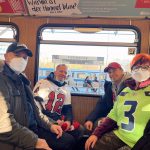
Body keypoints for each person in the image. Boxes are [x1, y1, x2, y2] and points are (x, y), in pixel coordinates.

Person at [0, 42, 75, 150]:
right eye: (17, 55)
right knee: (66, 142)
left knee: (72, 137)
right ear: (6, 56)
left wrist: (50, 125)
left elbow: (35, 109)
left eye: (25, 58)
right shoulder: (3, 81)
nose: (21, 60)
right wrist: (34, 141)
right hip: (19, 133)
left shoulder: (22, 81)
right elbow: (3, 124)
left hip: (32, 127)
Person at [85, 53, 150, 150]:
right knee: (93, 145)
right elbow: (108, 110)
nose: (140, 70)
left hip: (141, 140)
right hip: (120, 133)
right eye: (136, 67)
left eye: (145, 67)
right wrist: (95, 131)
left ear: (122, 71)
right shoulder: (123, 90)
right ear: (132, 70)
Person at [33, 64, 83, 147]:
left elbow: (68, 108)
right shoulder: (43, 83)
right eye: (61, 71)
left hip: (58, 120)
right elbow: (37, 107)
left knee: (80, 130)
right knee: (68, 140)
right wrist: (55, 119)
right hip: (43, 121)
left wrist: (68, 121)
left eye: (65, 72)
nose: (63, 74)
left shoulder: (65, 88)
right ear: (55, 72)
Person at [84, 62, 131, 132]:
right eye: (109, 72)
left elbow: (127, 108)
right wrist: (90, 119)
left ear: (122, 70)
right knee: (96, 124)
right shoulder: (110, 86)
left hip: (127, 119)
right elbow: (101, 104)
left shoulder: (131, 84)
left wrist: (110, 119)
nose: (111, 74)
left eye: (114, 71)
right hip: (113, 117)